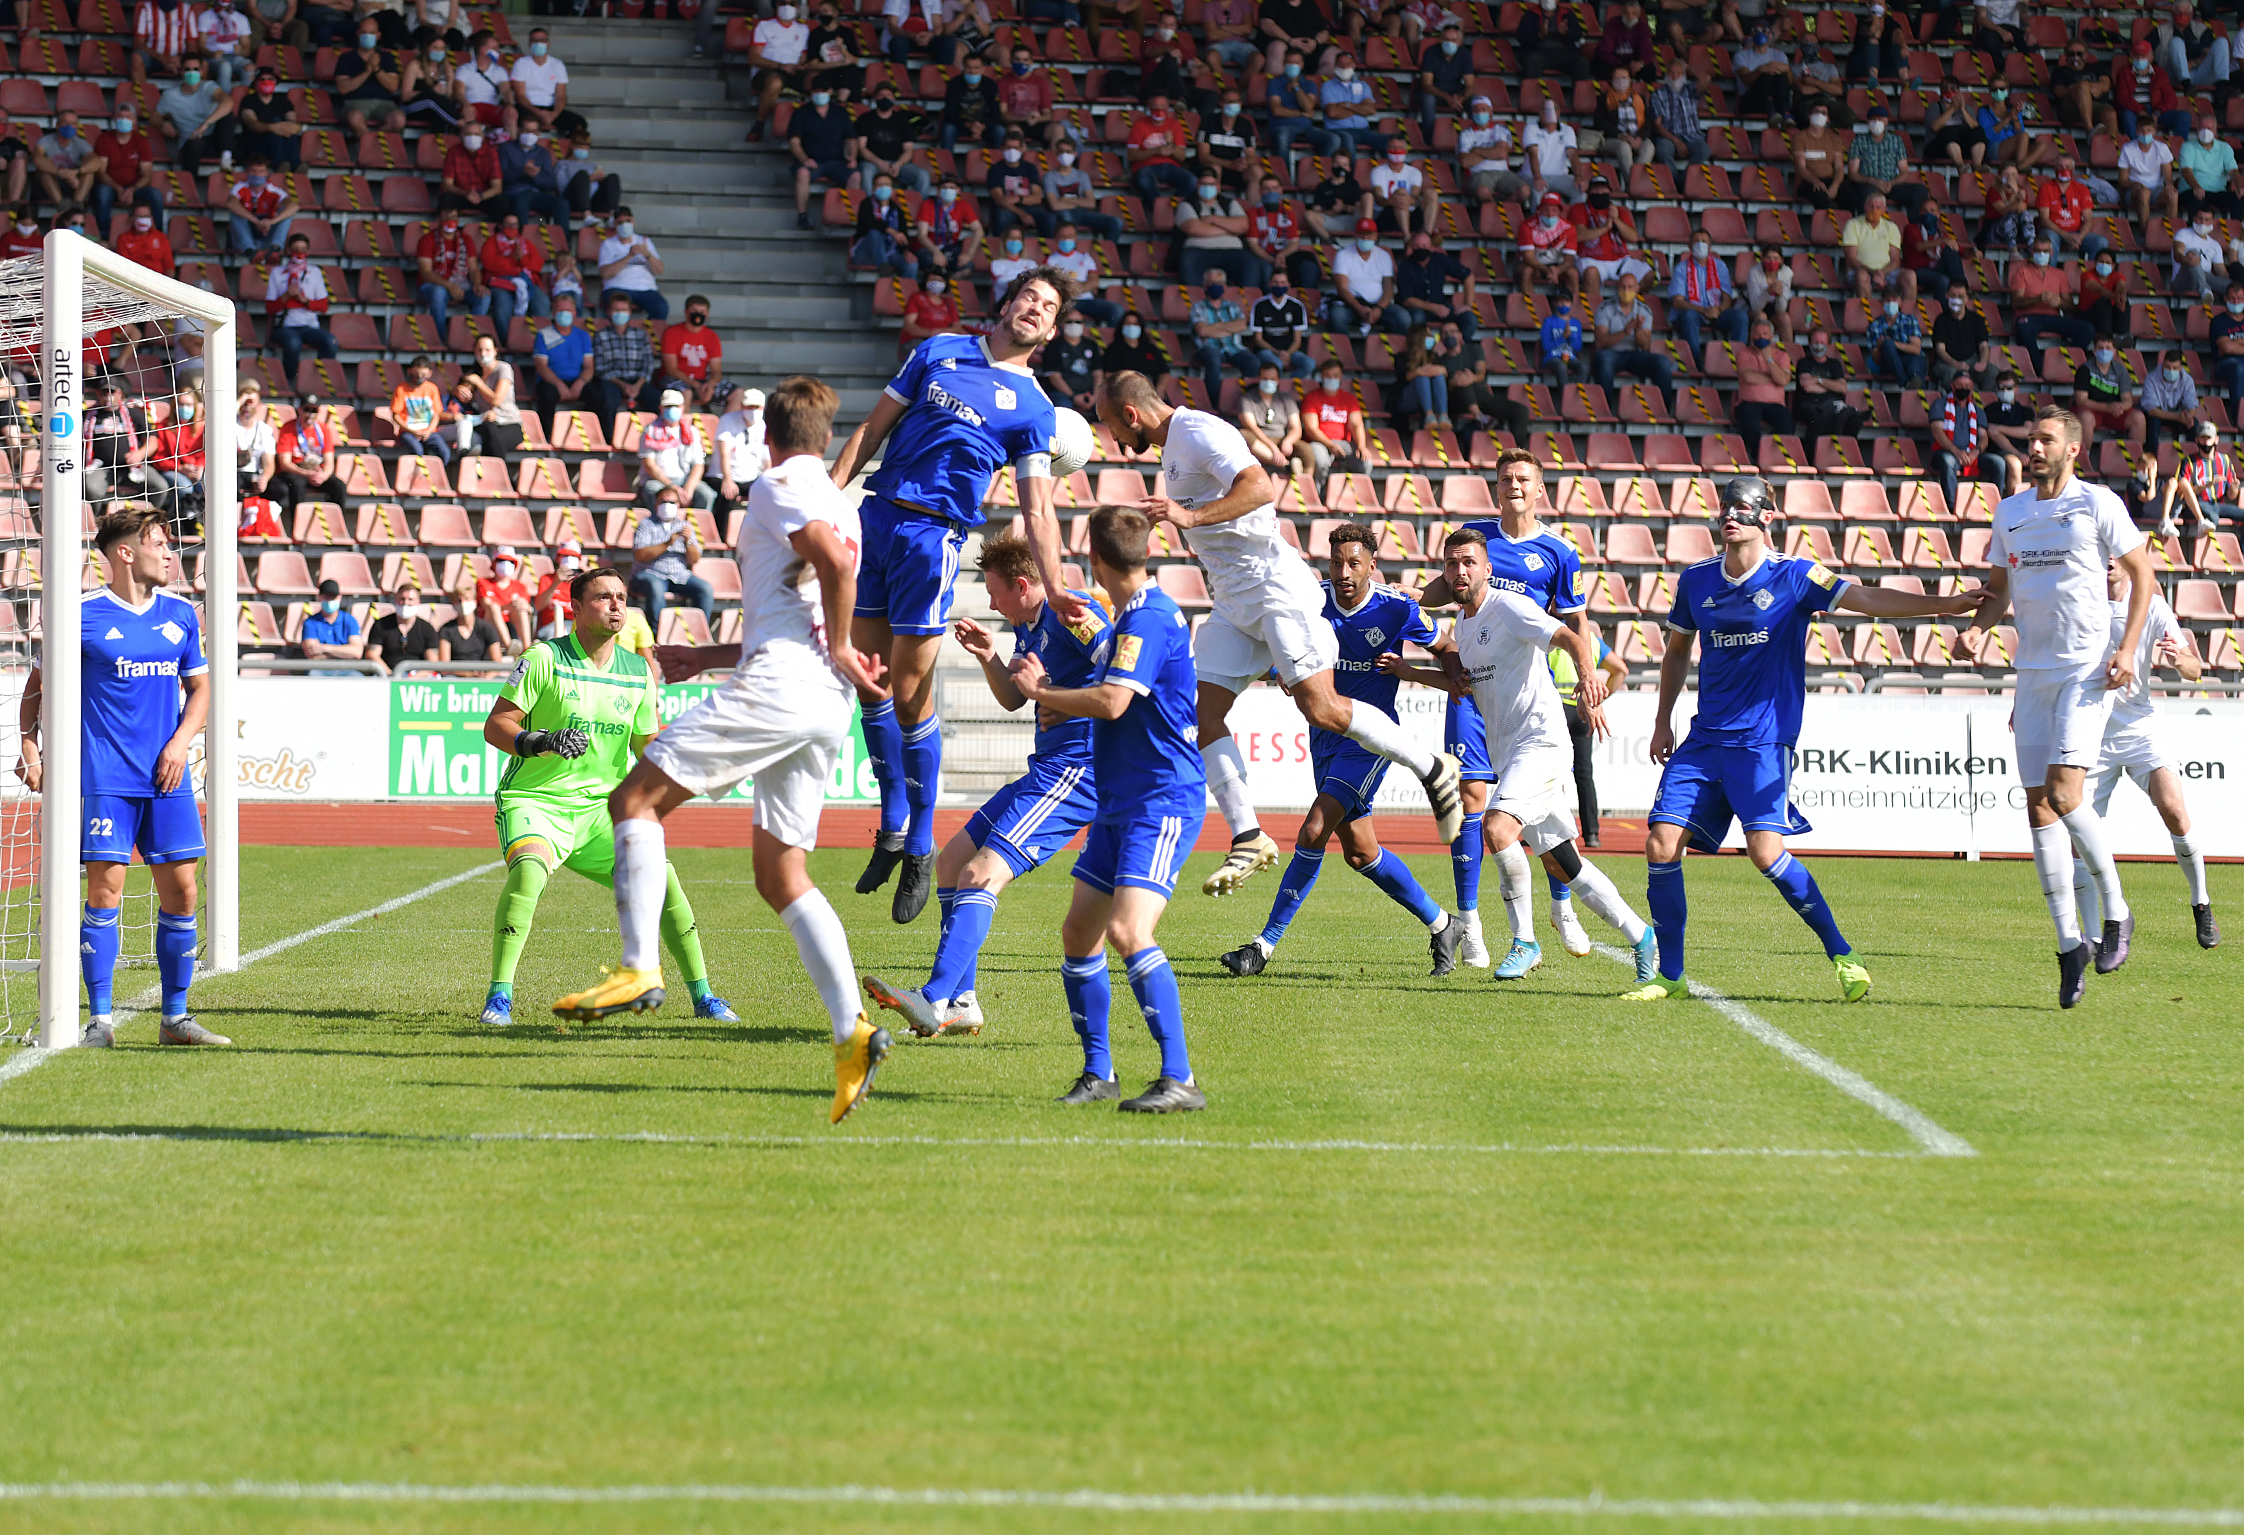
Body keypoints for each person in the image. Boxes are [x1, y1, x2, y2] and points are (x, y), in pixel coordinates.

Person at [554, 377, 889, 1123]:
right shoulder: (841, 500)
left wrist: (839, 647)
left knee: (634, 800)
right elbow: (803, 601)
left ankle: (640, 967)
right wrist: (706, 660)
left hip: (788, 686)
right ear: (826, 436)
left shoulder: (776, 485)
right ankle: (851, 1032)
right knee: (781, 872)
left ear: (763, 436)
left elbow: (831, 569)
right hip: (819, 704)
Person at [1083, 371, 1465, 899]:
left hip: (1274, 589)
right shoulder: (1173, 448)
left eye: (1108, 424)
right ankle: (1249, 836)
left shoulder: (1196, 430)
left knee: (1324, 709)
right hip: (1236, 601)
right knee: (1205, 715)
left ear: (1129, 414)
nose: (1111, 438)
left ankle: (1432, 767)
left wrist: (1186, 516)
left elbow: (1260, 486)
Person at [1624, 477, 1980, 1005]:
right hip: (1704, 740)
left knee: (1766, 854)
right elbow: (1677, 651)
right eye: (1727, 507)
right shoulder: (1695, 580)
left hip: (1763, 740)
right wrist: (1662, 720)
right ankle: (1669, 975)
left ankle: (1843, 954)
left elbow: (1864, 598)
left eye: (1745, 508)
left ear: (1768, 517)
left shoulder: (1794, 576)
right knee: (1660, 841)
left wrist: (1946, 607)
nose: (1732, 516)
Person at [826, 270, 1068, 921]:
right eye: (1030, 297)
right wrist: (826, 499)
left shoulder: (1037, 409)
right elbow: (871, 429)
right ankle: (894, 823)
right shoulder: (938, 350)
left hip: (932, 540)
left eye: (1048, 308)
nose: (1035, 310)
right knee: (870, 681)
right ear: (1008, 301)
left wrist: (1058, 583)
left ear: (1050, 331)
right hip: (873, 517)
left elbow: (1038, 509)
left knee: (909, 693)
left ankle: (923, 842)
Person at [999, 504, 1206, 1111]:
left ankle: (1180, 1079)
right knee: (1079, 932)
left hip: (1161, 799)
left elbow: (1114, 702)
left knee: (1126, 930)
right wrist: (1059, 696)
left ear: (1095, 558)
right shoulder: (1126, 617)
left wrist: (1043, 693)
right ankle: (1099, 1073)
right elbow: (1108, 690)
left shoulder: (1150, 619)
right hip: (1121, 800)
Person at [861, 534, 1110, 1038]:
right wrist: (989, 656)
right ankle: (964, 1002)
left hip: (1080, 772)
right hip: (1048, 769)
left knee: (980, 874)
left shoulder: (1073, 617)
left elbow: (1124, 676)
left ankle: (933, 998)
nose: (991, 602)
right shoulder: (1031, 628)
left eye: (995, 592)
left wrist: (1062, 695)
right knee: (952, 862)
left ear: (1022, 584)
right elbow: (1015, 702)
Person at [479, 563, 735, 1028]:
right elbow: (496, 725)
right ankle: (499, 998)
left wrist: (698, 758)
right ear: (575, 608)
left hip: (604, 812)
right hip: (537, 801)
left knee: (664, 884)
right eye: (603, 597)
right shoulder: (543, 658)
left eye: (620, 597)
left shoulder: (638, 671)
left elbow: (646, 745)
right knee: (529, 875)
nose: (616, 605)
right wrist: (539, 741)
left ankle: (705, 996)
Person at [1961, 410, 2157, 1006]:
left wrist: (2126, 649)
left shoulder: (2098, 503)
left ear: (2073, 448)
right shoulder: (2011, 511)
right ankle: (2070, 944)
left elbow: (2143, 578)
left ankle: (2117, 910)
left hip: (2085, 669)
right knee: (2039, 808)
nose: (2035, 446)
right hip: (2033, 674)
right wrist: (1978, 629)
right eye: (2032, 439)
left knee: (2067, 795)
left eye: (2046, 439)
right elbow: (1998, 591)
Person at [1398, 526, 1653, 981]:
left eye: (1469, 563)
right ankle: (1642, 936)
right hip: (1511, 753)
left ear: (1487, 569)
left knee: (1496, 828)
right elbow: (1464, 687)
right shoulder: (1465, 624)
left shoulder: (1511, 607)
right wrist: (1406, 670)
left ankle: (1525, 941)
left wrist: (1588, 678)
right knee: (1562, 862)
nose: (1460, 571)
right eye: (1452, 564)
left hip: (1542, 741)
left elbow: (1573, 637)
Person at [1214, 524, 1464, 977]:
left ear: (1372, 565)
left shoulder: (1396, 608)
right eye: (1336, 563)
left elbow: (1446, 646)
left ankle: (1262, 947)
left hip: (1369, 743)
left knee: (1313, 830)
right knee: (1360, 853)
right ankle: (1443, 923)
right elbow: (1280, 646)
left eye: (1354, 563)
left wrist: (1440, 673)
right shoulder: (1311, 601)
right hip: (1324, 736)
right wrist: (1283, 672)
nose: (1344, 572)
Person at [16, 507, 223, 1049]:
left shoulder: (181, 615)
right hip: (104, 777)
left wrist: (180, 743)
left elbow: (200, 690)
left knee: (182, 891)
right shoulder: (80, 615)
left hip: (167, 778)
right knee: (105, 893)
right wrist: (29, 745)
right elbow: (37, 685)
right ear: (125, 553)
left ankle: (175, 1019)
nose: (171, 553)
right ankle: (100, 1022)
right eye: (160, 543)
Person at [2074, 561, 2220, 950]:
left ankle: (2201, 903)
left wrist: (2180, 662)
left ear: (2127, 559)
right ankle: (2094, 934)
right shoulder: (2082, 602)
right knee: (2078, 838)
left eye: (2114, 552)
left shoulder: (2152, 606)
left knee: (2175, 810)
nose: (2106, 560)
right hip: (2092, 731)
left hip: (2140, 728)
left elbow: (2195, 669)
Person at [1590, 273, 1672, 410]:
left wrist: (1638, 329)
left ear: (1637, 289)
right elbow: (1600, 342)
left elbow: (1645, 347)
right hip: (1610, 354)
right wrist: (1625, 332)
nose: (1626, 290)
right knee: (1605, 361)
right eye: (1623, 287)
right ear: (1617, 287)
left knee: (1662, 362)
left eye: (1630, 287)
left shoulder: (1644, 310)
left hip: (1634, 355)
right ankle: (1604, 411)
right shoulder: (1604, 308)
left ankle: (1662, 411)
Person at [264, 232, 335, 384]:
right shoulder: (277, 273)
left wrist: (304, 300)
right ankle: (290, 381)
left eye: (303, 249)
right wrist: (287, 296)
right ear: (288, 250)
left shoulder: (315, 272)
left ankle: (320, 380)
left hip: (309, 327)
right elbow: (269, 307)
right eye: (295, 249)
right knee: (293, 342)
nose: (299, 253)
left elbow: (323, 306)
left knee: (330, 342)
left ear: (308, 252)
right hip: (285, 327)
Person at [1667, 230, 1745, 367]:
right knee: (1689, 316)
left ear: (1710, 247)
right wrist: (1702, 310)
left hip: (1716, 311)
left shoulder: (1720, 266)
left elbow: (1727, 298)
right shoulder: (1681, 268)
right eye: (1696, 241)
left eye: (1704, 241)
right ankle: (1695, 365)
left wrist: (1719, 309)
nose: (1700, 244)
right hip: (1694, 312)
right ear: (1689, 246)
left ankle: (1739, 363)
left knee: (1740, 316)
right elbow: (1677, 302)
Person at [788, 85, 857, 232]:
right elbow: (794, 141)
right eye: (816, 91)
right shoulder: (802, 113)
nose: (820, 94)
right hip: (812, 160)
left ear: (830, 91)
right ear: (811, 92)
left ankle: (849, 216)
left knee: (855, 175)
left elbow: (851, 139)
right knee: (802, 173)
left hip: (837, 161)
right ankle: (802, 215)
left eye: (823, 91)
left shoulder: (840, 113)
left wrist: (852, 157)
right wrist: (804, 159)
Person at [1930, 375, 2006, 508]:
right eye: (1960, 385)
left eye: (1967, 386)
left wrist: (1975, 452)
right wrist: (1957, 452)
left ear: (1972, 389)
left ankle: (1994, 506)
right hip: (1946, 452)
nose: (1963, 388)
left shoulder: (1978, 411)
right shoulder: (1940, 404)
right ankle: (1952, 507)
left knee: (1998, 463)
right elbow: (1937, 431)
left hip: (1972, 455)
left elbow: (1984, 437)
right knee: (1948, 461)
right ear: (1952, 386)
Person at [154, 58, 237, 177]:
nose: (191, 73)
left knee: (226, 113)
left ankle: (226, 157)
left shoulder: (209, 87)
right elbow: (154, 117)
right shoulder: (170, 96)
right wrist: (163, 124)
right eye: (187, 69)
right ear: (181, 72)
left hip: (215, 139)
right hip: (191, 142)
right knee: (194, 145)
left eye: (195, 69)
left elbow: (228, 102)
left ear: (202, 72)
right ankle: (190, 185)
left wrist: (206, 123)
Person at [2009, 235, 2094, 352]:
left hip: (2053, 318)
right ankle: (2039, 368)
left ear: (2051, 252)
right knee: (2023, 330)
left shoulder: (2059, 274)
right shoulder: (2022, 272)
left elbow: (2070, 307)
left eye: (2045, 251)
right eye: (2038, 251)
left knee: (2087, 329)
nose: (2041, 254)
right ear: (2032, 252)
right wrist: (2038, 299)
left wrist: (2060, 302)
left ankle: (2063, 360)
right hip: (2029, 318)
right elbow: (2016, 302)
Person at [2160, 417, 2243, 534]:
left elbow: (2231, 496)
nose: (2206, 442)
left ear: (2216, 439)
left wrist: (2234, 489)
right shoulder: (2188, 461)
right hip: (2196, 505)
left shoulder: (2225, 460)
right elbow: (2182, 493)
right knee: (2213, 517)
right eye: (2202, 438)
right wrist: (2205, 486)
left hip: (2219, 504)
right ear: (2197, 440)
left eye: (2209, 438)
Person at [90, 108, 162, 239]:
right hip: (110, 186)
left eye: (128, 117)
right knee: (102, 193)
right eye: (120, 116)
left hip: (135, 188)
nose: (124, 120)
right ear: (114, 119)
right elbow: (100, 172)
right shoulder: (104, 139)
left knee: (155, 194)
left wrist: (132, 190)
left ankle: (158, 236)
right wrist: (118, 188)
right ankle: (104, 237)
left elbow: (147, 174)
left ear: (135, 121)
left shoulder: (141, 141)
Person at [638, 388, 712, 513]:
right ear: (661, 408)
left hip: (685, 479)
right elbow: (650, 465)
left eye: (676, 406)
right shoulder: (650, 431)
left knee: (707, 495)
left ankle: (696, 529)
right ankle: (655, 528)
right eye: (668, 406)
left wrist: (689, 487)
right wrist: (671, 486)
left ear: (682, 407)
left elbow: (698, 465)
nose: (672, 409)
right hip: (659, 481)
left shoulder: (692, 432)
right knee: (652, 490)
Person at [589, 302, 660, 425]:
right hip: (613, 381)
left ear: (629, 312)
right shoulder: (601, 335)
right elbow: (600, 368)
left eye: (623, 310)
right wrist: (623, 385)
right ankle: (610, 438)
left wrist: (637, 385)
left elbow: (648, 364)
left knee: (658, 400)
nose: (620, 313)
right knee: (608, 402)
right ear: (609, 312)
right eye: (616, 309)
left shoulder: (640, 334)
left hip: (638, 381)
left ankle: (656, 436)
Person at [1731, 315, 1792, 458]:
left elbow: (1783, 380)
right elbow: (1748, 377)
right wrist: (1773, 379)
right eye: (1757, 334)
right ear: (1751, 336)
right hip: (1749, 403)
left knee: (1787, 425)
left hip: (1775, 405)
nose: (1761, 337)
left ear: (1771, 336)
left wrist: (1769, 359)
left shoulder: (1782, 356)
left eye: (1765, 334)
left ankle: (1768, 453)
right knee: (1750, 426)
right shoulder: (1743, 353)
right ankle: (1760, 455)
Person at [273, 393, 345, 515]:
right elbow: (285, 463)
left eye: (314, 411)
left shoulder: (324, 429)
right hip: (296, 470)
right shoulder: (288, 428)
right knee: (297, 484)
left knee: (339, 486)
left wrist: (323, 476)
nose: (309, 414)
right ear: (299, 410)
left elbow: (329, 462)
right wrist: (306, 474)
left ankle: (335, 522)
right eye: (306, 410)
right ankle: (297, 525)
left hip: (316, 471)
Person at [147, 382, 205, 532]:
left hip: (194, 469)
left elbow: (204, 453)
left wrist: (199, 467)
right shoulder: (163, 427)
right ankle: (179, 525)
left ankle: (202, 523)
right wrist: (180, 468)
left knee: (205, 484)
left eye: (188, 405)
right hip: (171, 469)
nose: (184, 408)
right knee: (184, 486)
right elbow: (159, 459)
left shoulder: (200, 428)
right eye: (181, 404)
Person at [452, 331, 522, 456]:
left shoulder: (503, 369)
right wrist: (459, 390)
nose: (483, 354)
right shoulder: (474, 373)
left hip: (508, 423)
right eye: (479, 350)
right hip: (485, 423)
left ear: (495, 351)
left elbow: (496, 400)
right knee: (487, 434)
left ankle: (499, 472)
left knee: (489, 445)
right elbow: (460, 395)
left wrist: (479, 382)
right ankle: (502, 473)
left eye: (487, 350)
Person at [1240, 360, 1312, 479]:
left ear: (1278, 380)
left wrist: (1288, 441)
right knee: (1243, 435)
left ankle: (1306, 485)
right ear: (1259, 379)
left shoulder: (1287, 399)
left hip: (1281, 439)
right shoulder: (1247, 399)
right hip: (1260, 439)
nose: (1269, 382)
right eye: (1265, 378)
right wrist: (1272, 448)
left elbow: (1296, 427)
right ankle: (1286, 466)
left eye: (1272, 379)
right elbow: (1251, 427)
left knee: (1307, 450)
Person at [2075, 336, 2147, 454]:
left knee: (2138, 418)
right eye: (2100, 348)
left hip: (2114, 413)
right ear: (2094, 351)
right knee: (2085, 418)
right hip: (2092, 411)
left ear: (2114, 352)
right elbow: (2081, 401)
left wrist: (2120, 407)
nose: (2104, 351)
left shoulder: (2121, 370)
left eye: (2108, 348)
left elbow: (2128, 400)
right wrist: (2107, 407)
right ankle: (2083, 459)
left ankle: (2136, 460)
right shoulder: (2085, 369)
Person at [749, 3, 813, 135]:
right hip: (768, 70)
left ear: (796, 6)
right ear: (777, 5)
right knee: (775, 83)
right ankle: (760, 124)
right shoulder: (764, 26)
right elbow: (754, 58)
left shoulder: (803, 29)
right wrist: (780, 66)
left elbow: (803, 56)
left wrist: (801, 65)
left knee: (816, 81)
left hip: (793, 71)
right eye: (783, 2)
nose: (787, 6)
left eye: (791, 3)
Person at [333, 24, 408, 135]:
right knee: (354, 118)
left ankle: (371, 144)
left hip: (384, 103)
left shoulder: (387, 57)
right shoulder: (346, 58)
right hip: (354, 103)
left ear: (378, 35)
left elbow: (393, 87)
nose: (368, 36)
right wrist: (367, 72)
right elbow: (343, 88)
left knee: (399, 120)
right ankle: (371, 147)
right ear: (358, 34)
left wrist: (377, 69)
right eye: (364, 32)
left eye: (372, 33)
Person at [530, 298, 593, 430]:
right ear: (553, 312)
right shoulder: (543, 335)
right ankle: (547, 435)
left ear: (575, 313)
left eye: (568, 310)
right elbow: (541, 366)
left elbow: (589, 366)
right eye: (560, 310)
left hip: (577, 380)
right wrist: (559, 385)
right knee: (547, 395)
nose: (564, 313)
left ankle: (591, 434)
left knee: (596, 396)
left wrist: (580, 383)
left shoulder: (583, 336)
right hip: (551, 381)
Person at [1301, 359, 1368, 476]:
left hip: (1344, 443)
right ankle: (1317, 492)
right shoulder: (1311, 398)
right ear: (1322, 376)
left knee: (1366, 462)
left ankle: (1357, 493)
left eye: (1335, 376)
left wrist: (1362, 446)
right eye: (1328, 376)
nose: (1331, 379)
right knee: (1320, 462)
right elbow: (1311, 429)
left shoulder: (1350, 399)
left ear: (1341, 376)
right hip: (1319, 442)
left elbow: (1357, 425)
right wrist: (1330, 445)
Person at [597, 209, 667, 319]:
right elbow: (605, 274)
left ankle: (650, 334)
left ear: (633, 222)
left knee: (661, 307)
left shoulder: (645, 241)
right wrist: (629, 256)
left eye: (628, 221)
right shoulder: (608, 244)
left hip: (646, 289)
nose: (625, 225)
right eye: (620, 222)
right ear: (615, 224)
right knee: (619, 309)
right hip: (617, 287)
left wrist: (647, 254)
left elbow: (659, 270)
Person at [225, 152, 296, 255]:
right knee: (236, 211)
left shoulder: (273, 190)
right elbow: (230, 203)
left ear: (267, 173)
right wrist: (256, 221)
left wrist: (271, 222)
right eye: (253, 171)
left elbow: (294, 206)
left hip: (267, 232)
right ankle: (249, 249)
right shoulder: (239, 187)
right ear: (247, 172)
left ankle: (275, 248)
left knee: (287, 213)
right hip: (244, 234)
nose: (257, 175)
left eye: (261, 171)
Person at [509, 27, 574, 137]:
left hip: (550, 108)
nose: (539, 43)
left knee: (579, 124)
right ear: (529, 43)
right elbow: (520, 96)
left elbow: (561, 96)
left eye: (542, 40)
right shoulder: (521, 64)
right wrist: (537, 112)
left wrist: (554, 114)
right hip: (528, 107)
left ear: (548, 43)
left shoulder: (557, 65)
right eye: (535, 41)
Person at [390, 353, 455, 461]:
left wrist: (429, 431)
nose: (420, 378)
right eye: (417, 374)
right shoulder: (401, 389)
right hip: (408, 432)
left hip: (428, 431)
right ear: (409, 371)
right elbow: (396, 415)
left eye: (423, 375)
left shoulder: (432, 389)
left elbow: (436, 414)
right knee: (417, 450)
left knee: (444, 452)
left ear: (430, 374)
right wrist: (411, 430)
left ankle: (438, 474)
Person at [2119, 118, 2181, 229]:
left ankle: (2171, 234)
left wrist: (2169, 185)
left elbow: (2168, 175)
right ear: (2137, 131)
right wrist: (2135, 185)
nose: (2145, 133)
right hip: (2135, 191)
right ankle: (2145, 235)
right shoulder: (2128, 149)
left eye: (2149, 130)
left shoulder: (2162, 148)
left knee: (2173, 195)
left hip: (2157, 189)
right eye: (2142, 131)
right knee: (2144, 193)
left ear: (2154, 131)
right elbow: (2123, 180)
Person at [1649, 56, 1710, 170]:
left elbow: (1706, 78)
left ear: (1684, 75)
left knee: (1704, 150)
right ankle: (1674, 182)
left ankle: (1685, 181)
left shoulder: (1690, 89)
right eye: (1671, 73)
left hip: (1692, 136)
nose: (1675, 76)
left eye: (1678, 73)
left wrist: (1689, 68)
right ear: (1666, 75)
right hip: (1668, 137)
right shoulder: (1658, 94)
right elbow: (1657, 125)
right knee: (1662, 151)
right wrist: (1676, 141)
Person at [365, 583, 440, 672]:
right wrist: (391, 676)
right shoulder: (381, 625)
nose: (405, 603)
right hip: (386, 675)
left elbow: (432, 661)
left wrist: (414, 679)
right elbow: (372, 654)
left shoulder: (427, 628)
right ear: (396, 600)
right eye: (402, 599)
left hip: (418, 678)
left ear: (418, 602)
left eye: (410, 599)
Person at [299, 577, 366, 673]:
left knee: (359, 681)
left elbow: (357, 652)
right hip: (320, 670)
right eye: (326, 597)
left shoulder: (349, 620)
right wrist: (344, 653)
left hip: (346, 670)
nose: (330, 601)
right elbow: (312, 654)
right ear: (319, 597)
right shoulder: (311, 623)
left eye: (333, 597)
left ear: (340, 597)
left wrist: (323, 648)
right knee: (313, 676)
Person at [1985, 370, 2036, 493]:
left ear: (2016, 389)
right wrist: (2017, 453)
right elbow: (1992, 432)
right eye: (2001, 388)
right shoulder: (1989, 410)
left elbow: (2027, 432)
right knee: (2015, 464)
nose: (2005, 391)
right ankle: (2015, 504)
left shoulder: (2026, 411)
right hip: (2000, 451)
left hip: (2025, 450)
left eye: (2009, 388)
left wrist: (2001, 429)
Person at [2139, 348, 2201, 446]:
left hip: (2179, 416)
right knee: (2153, 424)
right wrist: (2177, 417)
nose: (2171, 371)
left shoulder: (2187, 380)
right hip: (2158, 416)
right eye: (2167, 367)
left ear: (2181, 367)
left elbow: (2192, 403)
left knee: (2194, 424)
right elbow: (2152, 410)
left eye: (2175, 368)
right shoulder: (2151, 379)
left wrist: (2189, 416)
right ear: (2163, 365)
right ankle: (2152, 457)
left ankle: (2192, 457)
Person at [440, 574, 508, 661]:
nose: (463, 603)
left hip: (482, 673)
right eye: (459, 600)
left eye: (466, 599)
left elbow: (497, 662)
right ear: (453, 604)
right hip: (455, 674)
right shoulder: (446, 630)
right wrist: (466, 674)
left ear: (475, 602)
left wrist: (486, 675)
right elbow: (444, 666)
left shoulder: (487, 628)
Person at [1732, 26, 1791, 120]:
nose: (1760, 34)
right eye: (1756, 31)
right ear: (1751, 34)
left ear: (1770, 34)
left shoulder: (1779, 55)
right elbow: (1746, 80)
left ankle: (1784, 111)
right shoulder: (1741, 55)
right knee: (1765, 76)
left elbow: (1790, 80)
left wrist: (1778, 68)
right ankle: (1771, 111)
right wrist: (1762, 69)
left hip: (1776, 101)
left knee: (1782, 76)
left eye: (1764, 31)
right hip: (1751, 101)